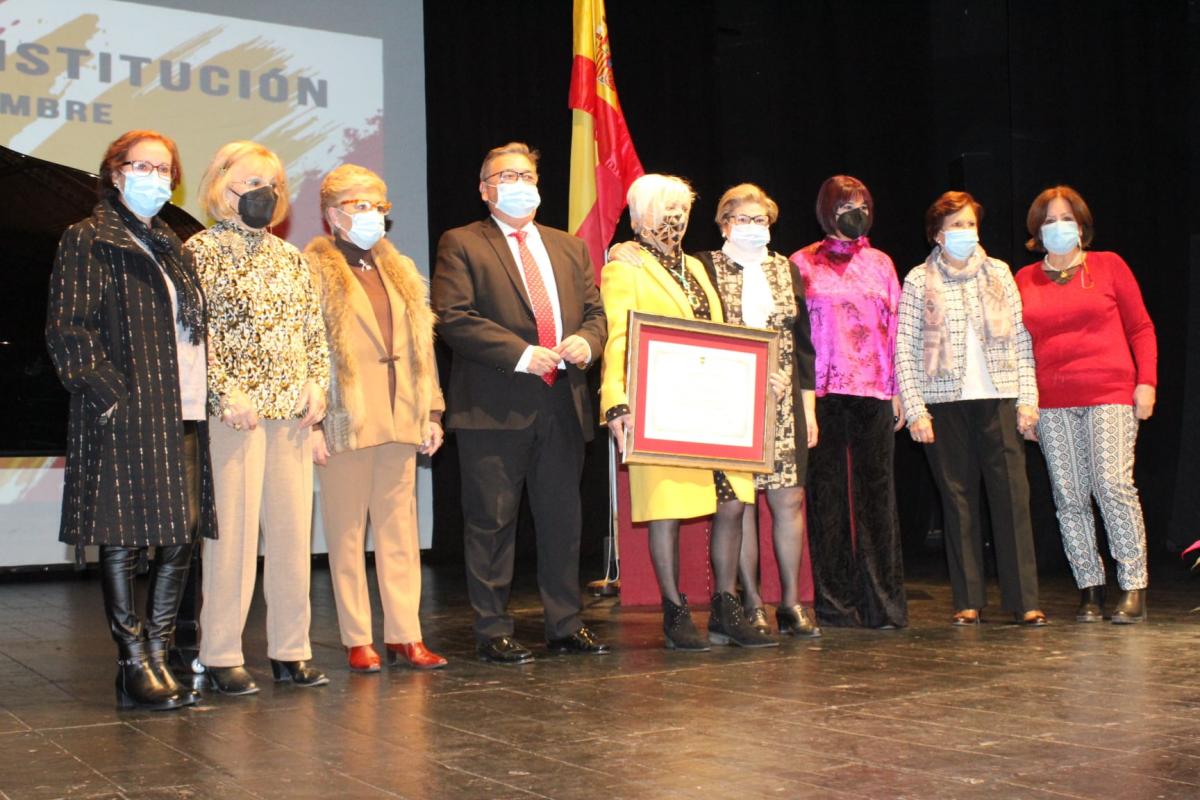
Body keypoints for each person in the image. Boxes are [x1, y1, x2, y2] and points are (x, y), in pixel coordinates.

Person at [46, 129, 215, 710]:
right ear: (114, 172)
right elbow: (69, 330)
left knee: (178, 537)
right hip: (127, 410)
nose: (156, 177)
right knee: (123, 538)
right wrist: (110, 394)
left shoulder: (172, 241)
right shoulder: (89, 237)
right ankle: (132, 660)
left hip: (184, 407)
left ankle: (163, 651)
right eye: (143, 166)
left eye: (165, 168)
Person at [431, 142, 609, 664]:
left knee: (562, 522)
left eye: (526, 173)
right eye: (504, 175)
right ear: (484, 189)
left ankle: (565, 624)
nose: (518, 182)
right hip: (494, 405)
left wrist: (588, 342)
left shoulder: (569, 247)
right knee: (491, 522)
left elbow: (596, 314)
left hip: (563, 405)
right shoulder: (463, 242)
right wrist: (523, 354)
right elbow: (454, 316)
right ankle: (491, 628)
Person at [600, 174, 775, 650]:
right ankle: (675, 612)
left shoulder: (697, 268)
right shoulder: (625, 266)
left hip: (712, 407)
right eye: (663, 207)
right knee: (667, 509)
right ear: (639, 217)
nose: (673, 217)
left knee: (733, 502)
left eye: (680, 207)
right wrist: (615, 399)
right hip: (659, 407)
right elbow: (618, 335)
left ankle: (725, 606)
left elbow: (721, 336)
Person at [187, 141, 330, 693]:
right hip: (236, 417)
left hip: (290, 417)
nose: (262, 194)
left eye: (269, 184)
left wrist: (317, 386)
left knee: (293, 540)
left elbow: (311, 332)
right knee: (234, 542)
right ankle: (221, 653)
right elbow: (196, 335)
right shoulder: (200, 251)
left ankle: (291, 651)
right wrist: (224, 391)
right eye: (249, 183)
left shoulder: (290, 259)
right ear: (222, 188)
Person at [306, 164, 448, 670]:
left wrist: (432, 410)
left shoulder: (401, 270)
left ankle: (405, 634)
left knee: (400, 532)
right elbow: (306, 351)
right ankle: (357, 637)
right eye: (358, 205)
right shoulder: (314, 271)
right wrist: (314, 423)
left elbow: (422, 347)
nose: (371, 216)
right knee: (346, 533)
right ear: (331, 215)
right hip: (346, 417)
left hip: (400, 415)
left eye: (378, 206)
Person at [895, 191, 1047, 626]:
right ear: (938, 235)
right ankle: (968, 599)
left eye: (970, 224)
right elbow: (904, 349)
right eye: (956, 226)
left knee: (1012, 498)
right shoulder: (918, 280)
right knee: (957, 502)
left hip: (999, 398)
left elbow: (1021, 339)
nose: (965, 233)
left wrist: (1028, 400)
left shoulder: (999, 272)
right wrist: (917, 408)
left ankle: (1024, 600)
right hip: (944, 404)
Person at [1016, 186, 1156, 623]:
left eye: (1067, 218)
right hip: (1053, 402)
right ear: (1037, 231)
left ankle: (1133, 585)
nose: (1059, 227)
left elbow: (1141, 328)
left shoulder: (1109, 266)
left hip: (1109, 392)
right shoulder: (1024, 279)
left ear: (1082, 225)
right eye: (1050, 220)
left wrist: (1146, 383)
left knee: (1112, 485)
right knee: (1070, 496)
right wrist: (1027, 404)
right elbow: (1018, 346)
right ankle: (1090, 588)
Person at [790, 176, 908, 630]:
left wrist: (897, 390)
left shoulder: (881, 263)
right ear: (826, 211)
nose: (854, 212)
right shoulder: (800, 263)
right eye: (844, 206)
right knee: (828, 502)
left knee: (877, 500)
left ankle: (883, 605)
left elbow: (894, 327)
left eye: (862, 204)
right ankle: (835, 604)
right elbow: (794, 335)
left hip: (874, 392)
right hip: (821, 394)